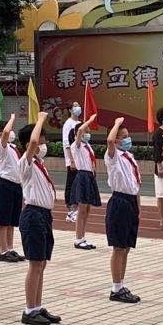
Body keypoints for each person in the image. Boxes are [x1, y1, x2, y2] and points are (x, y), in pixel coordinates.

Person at [16, 112, 61, 325]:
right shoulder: (25, 162)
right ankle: (29, 310)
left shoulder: (39, 163)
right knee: (35, 264)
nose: (44, 144)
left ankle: (37, 305)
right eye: (42, 140)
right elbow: (33, 140)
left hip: (44, 215)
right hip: (33, 215)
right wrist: (41, 118)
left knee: (41, 263)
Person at [103, 118, 142, 303]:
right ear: (117, 140)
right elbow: (110, 141)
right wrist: (116, 124)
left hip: (130, 202)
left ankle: (121, 284)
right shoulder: (113, 155)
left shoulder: (129, 156)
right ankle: (115, 288)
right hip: (119, 201)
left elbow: (135, 184)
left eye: (128, 136)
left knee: (126, 247)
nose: (128, 139)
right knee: (118, 247)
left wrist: (138, 206)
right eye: (124, 137)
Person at [0, 115, 25, 262]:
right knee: (3, 220)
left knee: (12, 220)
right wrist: (12, 118)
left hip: (16, 186)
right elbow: (6, 133)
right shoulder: (1, 146)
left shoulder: (13, 147)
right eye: (10, 129)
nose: (12, 132)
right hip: (5, 185)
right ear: (1, 133)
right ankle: (2, 251)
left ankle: (10, 249)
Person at [68, 112, 102, 251]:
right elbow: (81, 129)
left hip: (89, 177)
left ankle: (82, 237)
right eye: (86, 132)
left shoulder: (87, 146)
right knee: (82, 210)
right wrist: (89, 120)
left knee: (87, 209)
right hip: (82, 176)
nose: (87, 133)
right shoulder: (76, 145)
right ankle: (78, 239)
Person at [62, 103, 82, 223]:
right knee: (71, 183)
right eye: (74, 106)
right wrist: (71, 160)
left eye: (78, 105)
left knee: (77, 184)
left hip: (79, 159)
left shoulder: (79, 123)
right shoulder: (68, 123)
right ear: (70, 109)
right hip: (72, 159)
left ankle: (75, 209)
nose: (77, 107)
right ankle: (70, 211)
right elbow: (66, 143)